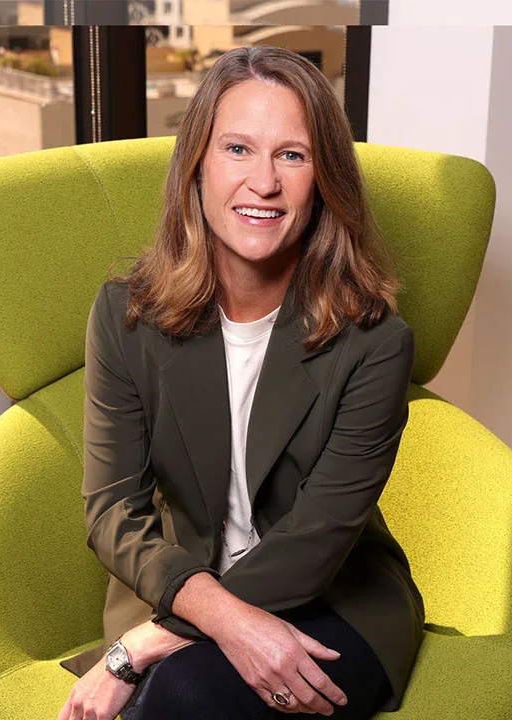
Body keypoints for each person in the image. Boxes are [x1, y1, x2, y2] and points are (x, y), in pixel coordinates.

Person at [57, 45, 424, 720]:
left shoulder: (375, 342)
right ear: (196, 167)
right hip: (185, 588)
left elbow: (317, 540)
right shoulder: (124, 316)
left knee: (181, 696)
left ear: (323, 182)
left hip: (332, 602)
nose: (263, 182)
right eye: (237, 149)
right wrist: (220, 618)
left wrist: (149, 642)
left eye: (292, 154)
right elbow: (112, 512)